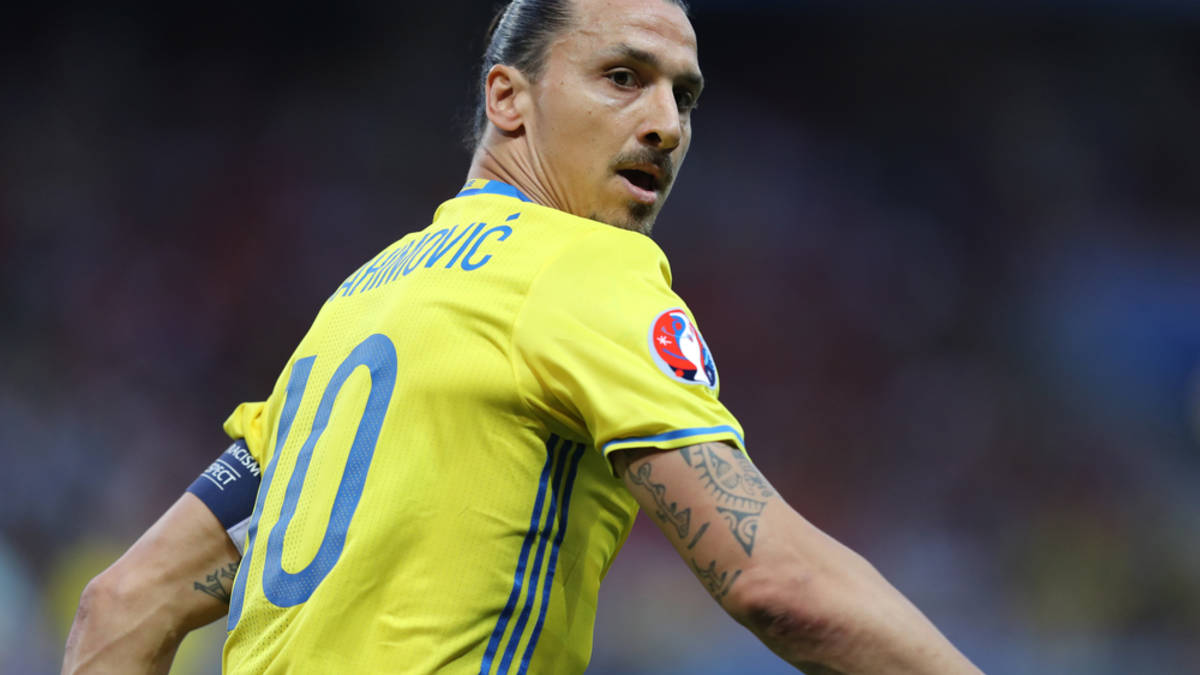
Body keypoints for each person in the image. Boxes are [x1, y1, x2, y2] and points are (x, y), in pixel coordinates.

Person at [62, 0, 985, 673]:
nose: (666, 124)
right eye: (623, 78)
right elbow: (776, 583)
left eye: (685, 96)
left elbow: (121, 603)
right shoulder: (584, 266)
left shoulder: (357, 302)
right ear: (508, 98)